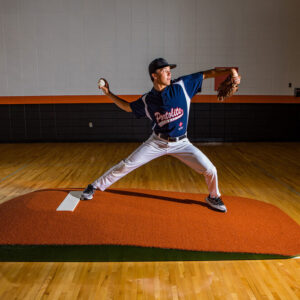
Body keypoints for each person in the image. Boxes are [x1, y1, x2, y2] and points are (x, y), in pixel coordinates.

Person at [81, 58, 241, 212]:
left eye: (169, 70)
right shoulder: (148, 100)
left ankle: (214, 196)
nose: (169, 73)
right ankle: (94, 186)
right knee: (126, 165)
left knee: (211, 169)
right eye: (164, 71)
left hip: (182, 143)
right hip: (157, 142)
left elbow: (208, 73)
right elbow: (127, 107)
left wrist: (231, 71)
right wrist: (108, 93)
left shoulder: (183, 86)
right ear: (154, 76)